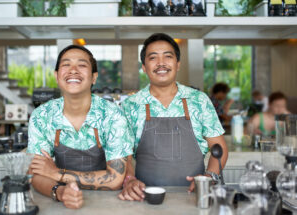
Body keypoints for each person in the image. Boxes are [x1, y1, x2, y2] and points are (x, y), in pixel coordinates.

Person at [119, 33, 228, 201]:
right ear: (144, 66)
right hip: (143, 198)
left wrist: (209, 177)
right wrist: (130, 180)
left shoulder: (199, 100)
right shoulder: (130, 105)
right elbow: (122, 153)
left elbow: (219, 148)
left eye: (168, 57)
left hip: (195, 198)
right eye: (153, 58)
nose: (161, 63)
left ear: (178, 64)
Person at [27, 45, 134, 209]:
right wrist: (60, 192)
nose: (73, 70)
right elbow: (36, 174)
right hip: (60, 202)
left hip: (109, 204)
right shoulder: (42, 116)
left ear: (94, 77)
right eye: (66, 64)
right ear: (56, 75)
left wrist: (56, 173)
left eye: (82, 65)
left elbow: (115, 179)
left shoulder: (112, 115)